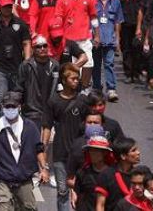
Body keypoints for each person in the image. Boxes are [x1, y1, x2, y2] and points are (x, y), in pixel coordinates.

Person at [0, 92, 49, 210]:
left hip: (25, 180)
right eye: (7, 107)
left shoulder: (30, 127)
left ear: (19, 107)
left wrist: (44, 168)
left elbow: (39, 149)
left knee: (29, 208)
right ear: (3, 108)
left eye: (13, 106)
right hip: (3, 180)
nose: (10, 109)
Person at [43, 63, 89, 211]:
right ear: (64, 80)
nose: (76, 81)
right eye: (73, 78)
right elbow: (47, 127)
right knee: (62, 192)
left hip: (80, 154)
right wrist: (43, 152)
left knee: (82, 191)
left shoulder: (83, 102)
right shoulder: (53, 101)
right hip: (60, 154)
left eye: (78, 78)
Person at [17, 35, 60, 129]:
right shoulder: (26, 65)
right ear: (33, 49)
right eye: (38, 46)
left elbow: (59, 88)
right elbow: (19, 88)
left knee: (48, 142)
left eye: (45, 46)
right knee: (33, 141)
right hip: (32, 112)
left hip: (50, 111)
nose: (42, 48)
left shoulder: (55, 65)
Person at [71, 135, 115, 211]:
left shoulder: (113, 175)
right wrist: (73, 196)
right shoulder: (82, 172)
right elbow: (76, 191)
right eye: (91, 150)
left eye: (96, 151)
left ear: (104, 153)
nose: (93, 154)